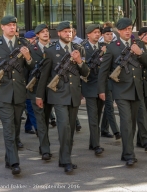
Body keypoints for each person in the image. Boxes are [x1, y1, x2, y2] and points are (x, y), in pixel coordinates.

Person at [35, 21, 89, 173]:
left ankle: (64, 158)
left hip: (74, 95)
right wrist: (39, 96)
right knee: (64, 126)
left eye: (70, 31)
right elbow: (44, 76)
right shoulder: (51, 51)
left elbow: (85, 72)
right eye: (65, 31)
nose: (68, 34)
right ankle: (66, 161)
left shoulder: (79, 48)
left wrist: (79, 61)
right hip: (57, 94)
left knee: (70, 129)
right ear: (58, 33)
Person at [0, 15, 35, 175]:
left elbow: (31, 66)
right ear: (3, 27)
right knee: (8, 128)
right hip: (1, 92)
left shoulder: (23, 43)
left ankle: (8, 159)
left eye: (14, 25)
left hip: (19, 92)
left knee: (16, 126)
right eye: (9, 25)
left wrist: (27, 57)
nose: (13, 27)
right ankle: (14, 162)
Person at [98, 17, 147, 166]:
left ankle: (125, 152)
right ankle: (129, 154)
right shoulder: (113, 47)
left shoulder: (138, 44)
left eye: (130, 29)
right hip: (120, 89)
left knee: (133, 122)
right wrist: (101, 90)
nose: (128, 31)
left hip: (136, 89)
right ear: (119, 31)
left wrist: (140, 53)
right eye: (125, 29)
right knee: (126, 121)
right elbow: (103, 71)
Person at [27, 23, 53, 160]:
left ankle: (44, 145)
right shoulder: (31, 49)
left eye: (47, 31)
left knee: (46, 119)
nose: (45, 33)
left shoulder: (54, 48)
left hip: (50, 89)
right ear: (37, 35)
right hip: (36, 89)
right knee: (41, 121)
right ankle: (45, 150)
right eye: (42, 32)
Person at [81, 24, 105, 155]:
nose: (97, 34)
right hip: (89, 86)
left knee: (98, 115)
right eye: (95, 32)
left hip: (101, 87)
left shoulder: (103, 48)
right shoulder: (83, 48)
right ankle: (96, 145)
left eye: (98, 32)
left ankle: (93, 142)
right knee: (93, 117)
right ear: (88, 34)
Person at [99, 26, 121, 140]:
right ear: (102, 35)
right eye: (107, 34)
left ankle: (104, 129)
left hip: (114, 79)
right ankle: (116, 131)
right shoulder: (99, 47)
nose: (109, 36)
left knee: (109, 106)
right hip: (104, 81)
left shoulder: (114, 46)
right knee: (109, 106)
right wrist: (101, 54)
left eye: (110, 34)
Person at [136, 27, 147, 151]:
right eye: (145, 34)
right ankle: (146, 140)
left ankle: (139, 140)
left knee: (146, 114)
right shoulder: (136, 46)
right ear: (140, 36)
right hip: (138, 85)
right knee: (142, 114)